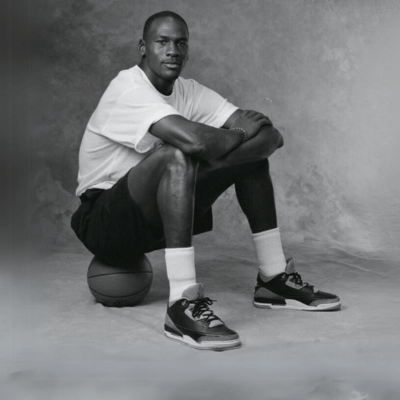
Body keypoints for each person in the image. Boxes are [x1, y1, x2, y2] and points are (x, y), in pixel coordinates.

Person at [71, 11, 341, 351]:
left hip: (155, 217)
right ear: (143, 47)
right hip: (104, 222)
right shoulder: (127, 89)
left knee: (250, 160)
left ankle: (273, 279)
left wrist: (224, 145)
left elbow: (272, 137)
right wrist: (238, 133)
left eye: (180, 43)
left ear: (188, 51)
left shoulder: (189, 92)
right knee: (177, 154)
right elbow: (199, 143)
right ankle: (180, 305)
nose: (172, 51)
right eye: (162, 42)